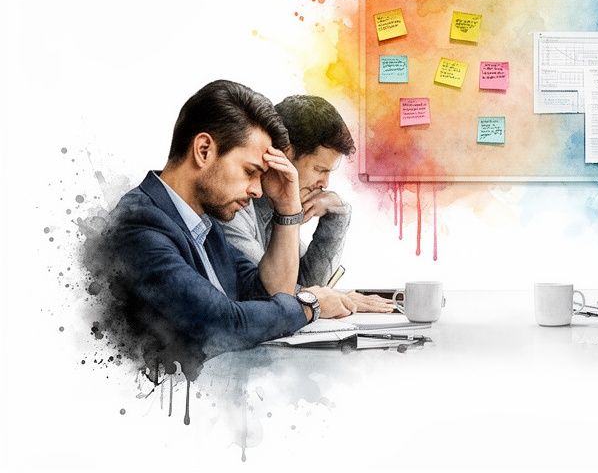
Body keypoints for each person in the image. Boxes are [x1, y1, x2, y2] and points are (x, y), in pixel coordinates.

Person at [90, 80, 361, 373]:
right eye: (249, 172)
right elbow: (220, 323)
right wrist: (310, 306)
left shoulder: (203, 226)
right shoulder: (139, 225)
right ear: (204, 150)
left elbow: (270, 295)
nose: (258, 191)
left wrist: (286, 210)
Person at [218, 94, 392, 312]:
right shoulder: (233, 207)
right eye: (320, 170)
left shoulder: (274, 208)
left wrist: (336, 214)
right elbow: (268, 294)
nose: (325, 183)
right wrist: (329, 299)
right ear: (285, 155)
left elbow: (310, 283)